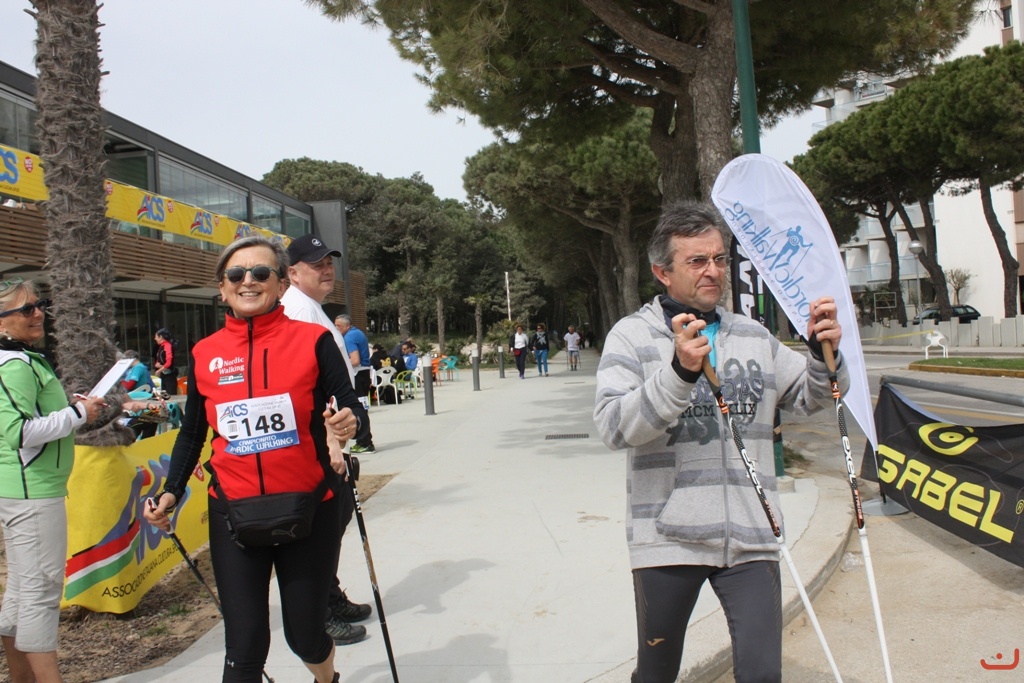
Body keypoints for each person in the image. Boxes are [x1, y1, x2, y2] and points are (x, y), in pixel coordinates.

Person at [593, 200, 848, 683]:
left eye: (718, 259)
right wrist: (677, 373)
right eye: (697, 261)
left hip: (753, 536)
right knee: (656, 674)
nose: (713, 271)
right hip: (668, 541)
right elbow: (613, 427)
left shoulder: (752, 334)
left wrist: (823, 353)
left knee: (762, 675)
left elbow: (812, 396)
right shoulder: (630, 337)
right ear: (662, 272)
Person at [143, 236, 368, 683]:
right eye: (236, 274)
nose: (248, 280)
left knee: (306, 637)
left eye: (261, 272)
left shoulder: (314, 340)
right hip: (234, 511)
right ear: (222, 288)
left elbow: (350, 404)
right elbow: (193, 432)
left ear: (281, 284)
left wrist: (350, 421)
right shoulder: (205, 354)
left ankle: (327, 679)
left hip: (310, 506)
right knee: (244, 647)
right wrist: (171, 491)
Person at [0, 280, 106, 683]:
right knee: (40, 593)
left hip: (27, 490)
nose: (39, 313)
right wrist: (78, 415)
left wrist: (71, 408)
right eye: (27, 309)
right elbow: (20, 432)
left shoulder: (21, 359)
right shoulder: (14, 364)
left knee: (22, 590)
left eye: (39, 304)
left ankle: (21, 678)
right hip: (33, 493)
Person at [278, 234, 371, 646]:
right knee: (322, 528)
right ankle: (320, 610)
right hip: (319, 439)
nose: (327, 270)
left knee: (335, 520)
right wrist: (330, 440)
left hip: (332, 434)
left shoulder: (312, 308)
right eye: (317, 264)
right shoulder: (298, 311)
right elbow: (304, 382)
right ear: (293, 273)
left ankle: (329, 596)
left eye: (329, 262)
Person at [334, 314, 376, 455]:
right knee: (363, 407)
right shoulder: (358, 333)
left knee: (359, 409)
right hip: (364, 374)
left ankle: (365, 442)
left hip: (358, 374)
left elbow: (355, 360)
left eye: (339, 326)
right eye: (335, 325)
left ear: (348, 326)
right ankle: (364, 441)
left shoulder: (349, 337)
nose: (336, 329)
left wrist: (338, 366)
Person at [152, 328, 178, 395]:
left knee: (170, 395)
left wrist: (159, 370)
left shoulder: (167, 346)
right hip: (164, 375)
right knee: (165, 394)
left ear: (161, 337)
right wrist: (158, 366)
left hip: (169, 375)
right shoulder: (161, 347)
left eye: (156, 337)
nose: (155, 339)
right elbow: (160, 360)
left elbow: (169, 363)